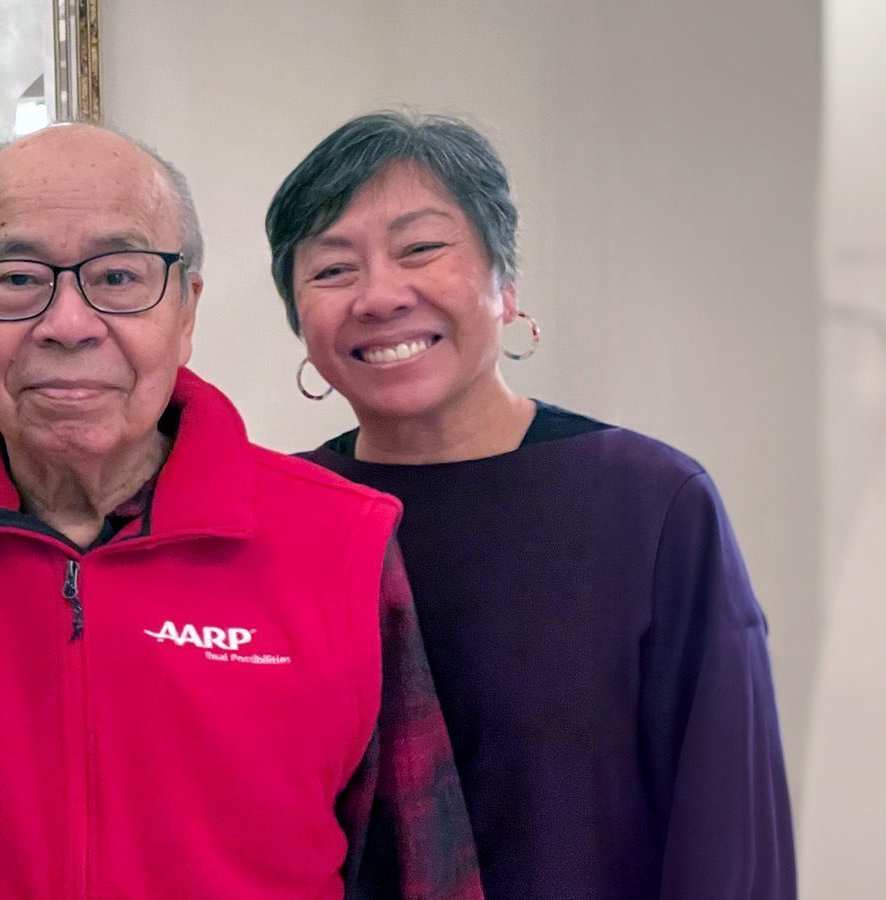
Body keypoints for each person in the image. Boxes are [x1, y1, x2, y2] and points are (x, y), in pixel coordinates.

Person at [0, 123, 482, 899]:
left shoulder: (343, 542)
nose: (69, 325)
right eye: (16, 279)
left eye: (118, 277)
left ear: (186, 312)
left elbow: (418, 864)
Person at [266, 111, 796, 899]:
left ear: (504, 284)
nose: (379, 296)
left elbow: (729, 835)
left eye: (421, 249)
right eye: (333, 270)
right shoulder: (276, 518)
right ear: (300, 320)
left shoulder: (649, 505)